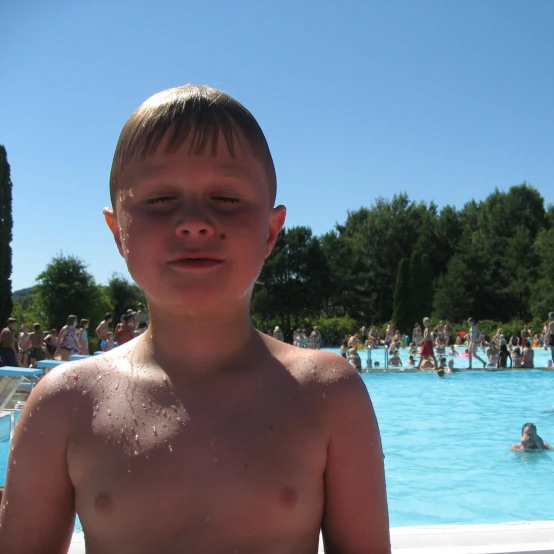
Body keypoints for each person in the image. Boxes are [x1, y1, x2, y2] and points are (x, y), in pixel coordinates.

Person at [0, 85, 390, 553]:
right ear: (118, 231)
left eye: (226, 198)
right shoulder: (64, 404)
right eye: (160, 199)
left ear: (270, 231)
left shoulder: (328, 393)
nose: (194, 222)